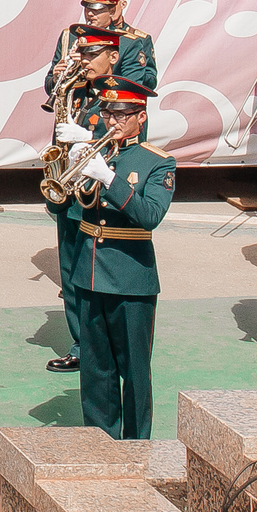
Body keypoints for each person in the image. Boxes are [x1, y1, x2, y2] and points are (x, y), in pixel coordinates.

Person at [62, 76, 172, 440]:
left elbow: (150, 215)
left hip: (130, 276)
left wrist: (110, 179)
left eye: (122, 114)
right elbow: (62, 207)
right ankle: (99, 439)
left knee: (135, 370)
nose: (113, 121)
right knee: (96, 369)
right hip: (90, 271)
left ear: (140, 116)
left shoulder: (158, 162)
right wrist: (67, 168)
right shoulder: (97, 151)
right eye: (108, 113)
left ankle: (138, 444)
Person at [41, 25, 121, 375]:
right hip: (68, 193)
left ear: (113, 57)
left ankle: (101, 344)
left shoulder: (121, 96)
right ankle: (80, 343)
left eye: (92, 55)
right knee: (71, 274)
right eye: (82, 54)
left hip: (99, 197)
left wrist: (88, 135)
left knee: (97, 278)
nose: (85, 61)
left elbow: (128, 140)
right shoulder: (74, 92)